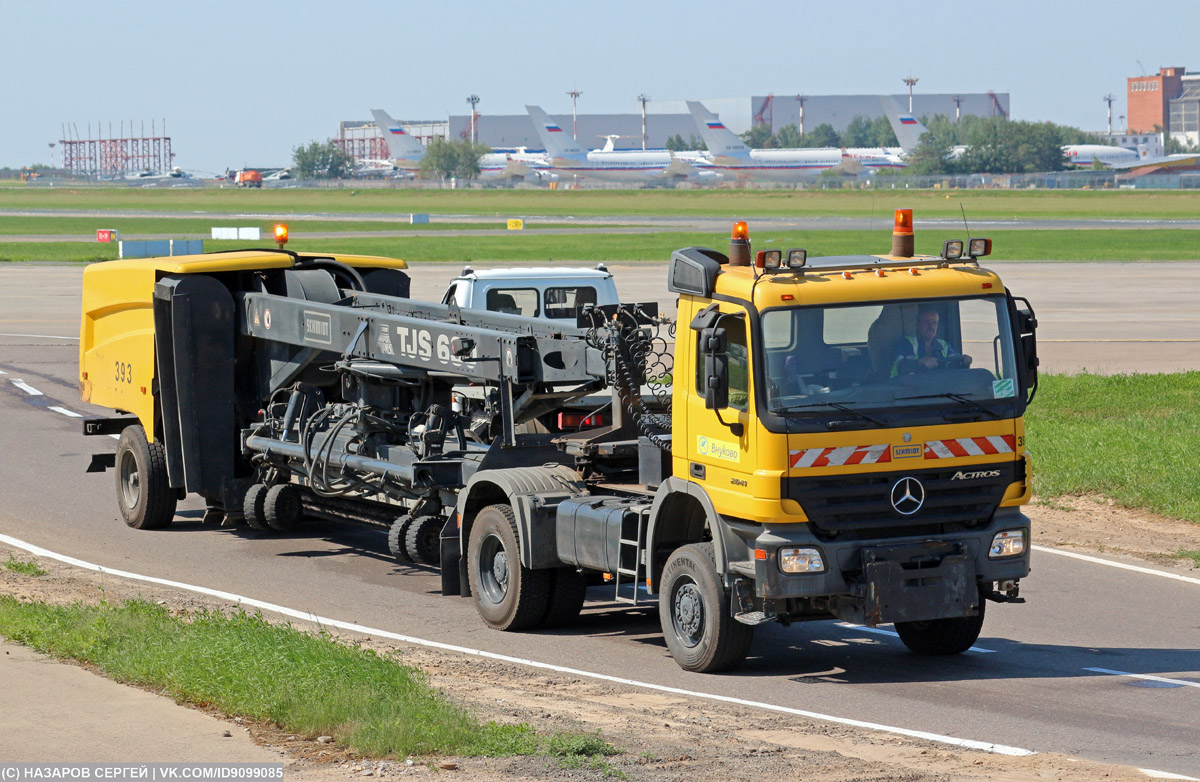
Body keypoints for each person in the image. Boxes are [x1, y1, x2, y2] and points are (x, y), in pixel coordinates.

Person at [891, 308, 971, 376]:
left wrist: (964, 361)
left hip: (938, 390)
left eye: (934, 322)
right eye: (926, 322)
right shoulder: (907, 343)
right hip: (907, 391)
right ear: (917, 325)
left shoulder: (944, 345)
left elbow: (955, 362)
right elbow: (901, 367)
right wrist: (920, 362)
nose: (931, 326)